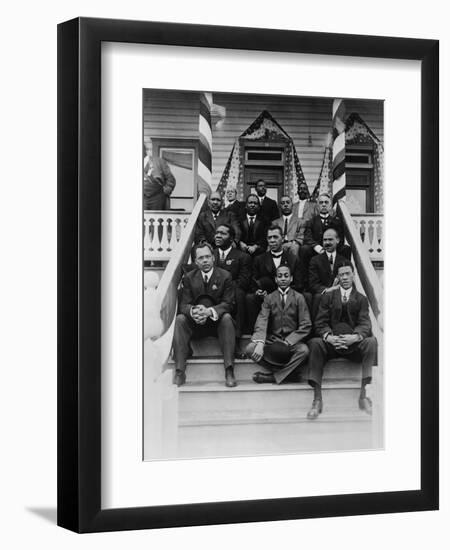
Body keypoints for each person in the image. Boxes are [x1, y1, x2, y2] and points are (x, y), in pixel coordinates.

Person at [306, 261, 377, 419]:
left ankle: (364, 395)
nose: (344, 277)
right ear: (337, 277)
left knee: (371, 342)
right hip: (332, 344)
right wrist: (329, 337)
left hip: (353, 345)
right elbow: (320, 323)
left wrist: (355, 337)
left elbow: (365, 323)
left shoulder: (361, 299)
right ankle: (317, 399)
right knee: (315, 343)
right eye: (341, 274)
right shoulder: (328, 296)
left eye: (347, 274)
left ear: (353, 275)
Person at [173, 242, 237, 387]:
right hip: (196, 323)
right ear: (196, 261)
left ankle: (229, 370)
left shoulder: (225, 276)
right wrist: (194, 311)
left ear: (214, 258)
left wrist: (209, 312)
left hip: (217, 324)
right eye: (201, 258)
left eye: (208, 256)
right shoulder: (189, 277)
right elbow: (184, 304)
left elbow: (229, 304)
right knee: (180, 320)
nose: (205, 260)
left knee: (227, 318)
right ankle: (179, 371)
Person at [245, 265, 311, 384]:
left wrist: (289, 341)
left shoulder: (299, 298)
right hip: (273, 340)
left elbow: (306, 325)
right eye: (279, 276)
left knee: (304, 350)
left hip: (292, 342)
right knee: (250, 349)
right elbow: (262, 319)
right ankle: (287, 374)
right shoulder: (269, 298)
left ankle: (274, 377)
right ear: (275, 279)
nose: (283, 279)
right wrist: (260, 343)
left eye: (286, 276)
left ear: (291, 278)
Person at [246, 224, 304, 331]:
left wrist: (283, 292)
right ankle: (256, 333)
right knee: (250, 298)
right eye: (269, 238)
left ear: (282, 238)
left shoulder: (293, 259)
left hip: (287, 294)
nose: (272, 240)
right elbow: (253, 282)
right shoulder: (259, 259)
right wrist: (258, 291)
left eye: (275, 237)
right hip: (266, 296)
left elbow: (299, 284)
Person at [299, 193, 351, 288]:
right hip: (316, 251)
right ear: (317, 205)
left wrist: (331, 247)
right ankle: (305, 284)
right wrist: (317, 247)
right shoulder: (311, 221)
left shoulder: (337, 221)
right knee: (304, 249)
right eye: (321, 202)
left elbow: (341, 239)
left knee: (346, 249)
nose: (323, 204)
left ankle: (344, 278)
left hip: (333, 250)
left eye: (326, 202)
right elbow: (308, 237)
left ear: (330, 205)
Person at [213, 224, 252, 347]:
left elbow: (243, 281)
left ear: (231, 238)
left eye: (223, 233)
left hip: (232, 293)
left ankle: (237, 336)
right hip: (211, 292)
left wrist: (225, 289)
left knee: (239, 293)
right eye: (217, 232)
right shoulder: (209, 255)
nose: (218, 235)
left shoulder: (242, 257)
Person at [308, 227, 347, 318]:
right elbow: (313, 283)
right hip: (323, 294)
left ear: (337, 240)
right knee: (318, 297)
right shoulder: (315, 260)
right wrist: (328, 290)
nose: (327, 243)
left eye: (330, 239)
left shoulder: (344, 261)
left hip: (339, 294)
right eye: (325, 240)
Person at [143, 139, 176, 210]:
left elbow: (171, 179)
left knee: (156, 219)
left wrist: (165, 191)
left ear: (144, 150)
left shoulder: (159, 162)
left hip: (157, 198)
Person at [273, 195, 304, 260]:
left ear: (292, 205)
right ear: (280, 206)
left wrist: (292, 243)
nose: (285, 205)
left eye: (288, 202)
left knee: (294, 248)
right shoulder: (275, 223)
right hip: (278, 244)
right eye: (283, 203)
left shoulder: (300, 221)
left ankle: (292, 270)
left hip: (293, 244)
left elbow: (301, 236)